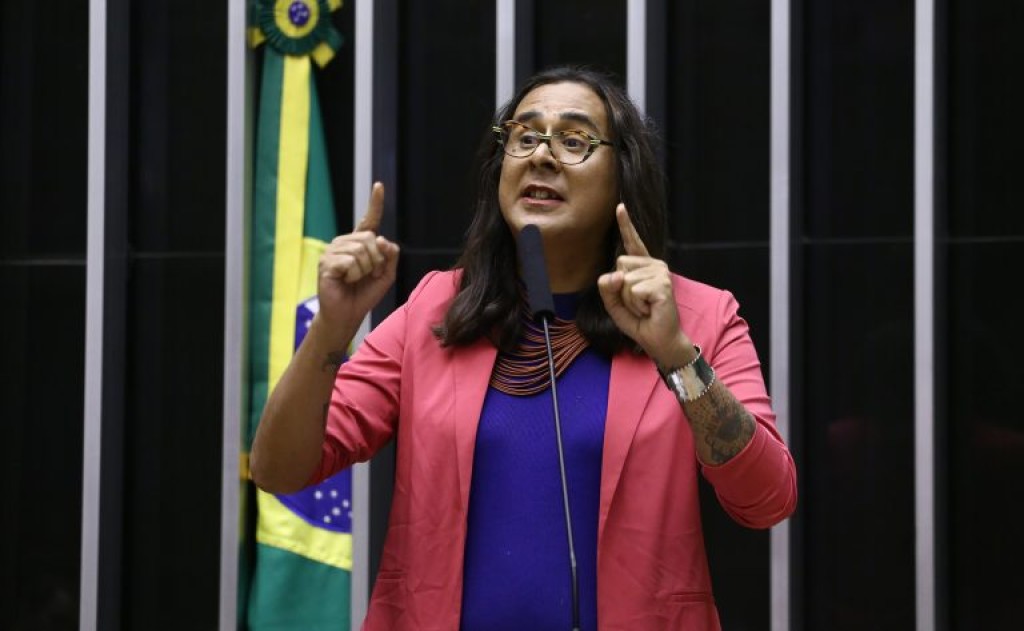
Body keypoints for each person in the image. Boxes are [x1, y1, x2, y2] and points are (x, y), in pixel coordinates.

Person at [250, 66, 797, 631]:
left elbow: (767, 501)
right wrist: (332, 328)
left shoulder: (700, 317)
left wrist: (677, 356)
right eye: (525, 136)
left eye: (575, 141)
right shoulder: (436, 310)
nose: (542, 156)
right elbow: (279, 469)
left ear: (623, 176)